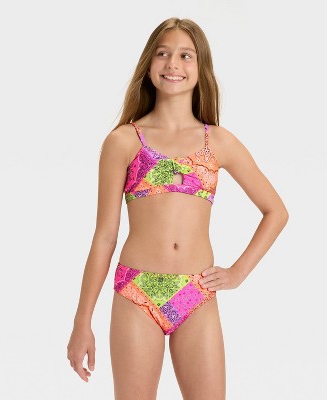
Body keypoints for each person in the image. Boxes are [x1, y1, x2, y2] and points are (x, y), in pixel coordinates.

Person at [67, 17, 289, 399]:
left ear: (201, 69)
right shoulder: (124, 141)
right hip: (137, 292)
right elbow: (105, 236)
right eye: (163, 53)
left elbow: (275, 211)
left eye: (186, 55)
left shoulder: (218, 142)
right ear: (148, 64)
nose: (173, 64)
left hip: (195, 293)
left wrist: (238, 272)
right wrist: (81, 321)